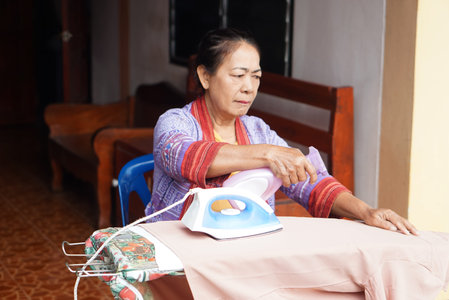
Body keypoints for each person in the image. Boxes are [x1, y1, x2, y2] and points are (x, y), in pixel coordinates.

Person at [145, 28, 417, 236]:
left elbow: (312, 182)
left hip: (245, 255)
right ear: (205, 76)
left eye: (256, 76)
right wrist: (268, 154)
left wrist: (367, 211)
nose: (249, 87)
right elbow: (184, 157)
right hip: (179, 260)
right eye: (238, 75)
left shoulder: (258, 131)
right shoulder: (175, 123)